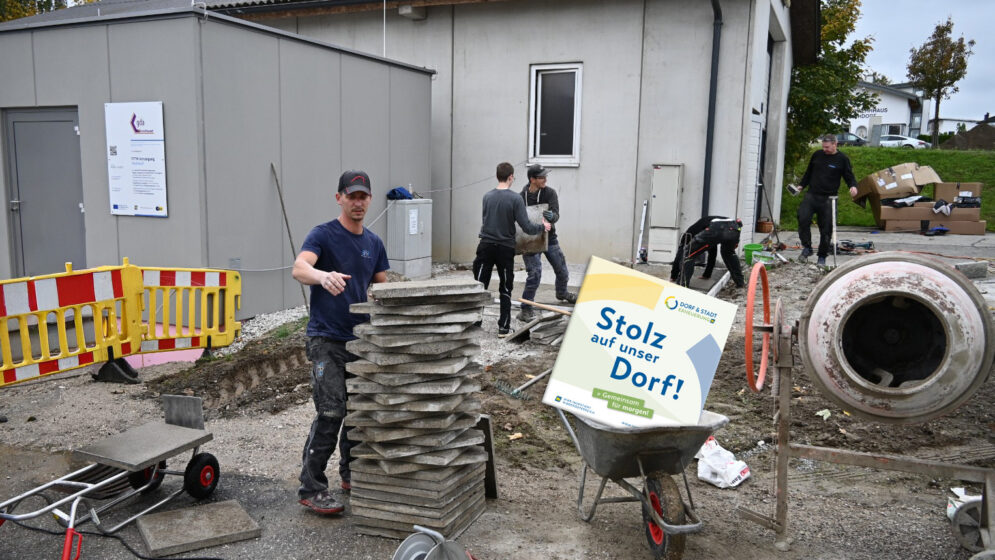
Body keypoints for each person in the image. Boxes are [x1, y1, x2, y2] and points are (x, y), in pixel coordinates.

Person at [292, 170, 389, 516]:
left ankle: (352, 476)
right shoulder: (323, 235)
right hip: (326, 341)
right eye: (352, 196)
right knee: (331, 411)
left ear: (369, 199)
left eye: (363, 196)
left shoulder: (373, 244)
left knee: (359, 414)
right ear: (339, 198)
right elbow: (299, 268)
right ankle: (312, 487)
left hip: (360, 342)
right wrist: (323, 276)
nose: (358, 202)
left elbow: (382, 287)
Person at [473, 162, 550, 337]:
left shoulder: (487, 196)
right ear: (510, 177)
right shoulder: (516, 199)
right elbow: (527, 227)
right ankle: (503, 328)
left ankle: (475, 323)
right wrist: (542, 227)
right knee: (505, 287)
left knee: (479, 285)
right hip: (505, 248)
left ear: (497, 176)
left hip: (485, 246)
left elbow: (486, 221)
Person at [517, 164, 578, 323]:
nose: (545, 179)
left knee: (562, 270)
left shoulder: (550, 193)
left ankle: (562, 293)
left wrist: (553, 217)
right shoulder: (520, 197)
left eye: (545, 177)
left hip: (550, 238)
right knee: (535, 273)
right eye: (542, 177)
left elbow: (556, 214)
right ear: (532, 179)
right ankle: (526, 308)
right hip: (530, 241)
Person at [796, 134, 858, 266]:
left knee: (826, 228)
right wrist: (801, 185)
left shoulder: (842, 159)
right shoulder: (817, 155)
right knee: (803, 219)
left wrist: (853, 186)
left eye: (827, 147)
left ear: (835, 144)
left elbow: (849, 176)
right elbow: (808, 172)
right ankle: (807, 248)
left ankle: (822, 256)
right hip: (812, 195)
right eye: (823, 147)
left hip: (829, 198)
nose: (825, 149)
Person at [670, 216, 745, 289]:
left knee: (688, 254)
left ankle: (682, 286)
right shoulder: (705, 225)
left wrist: (673, 276)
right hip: (735, 228)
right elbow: (713, 252)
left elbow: (680, 254)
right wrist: (707, 274)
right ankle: (740, 283)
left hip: (717, 227)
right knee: (729, 254)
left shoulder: (690, 233)